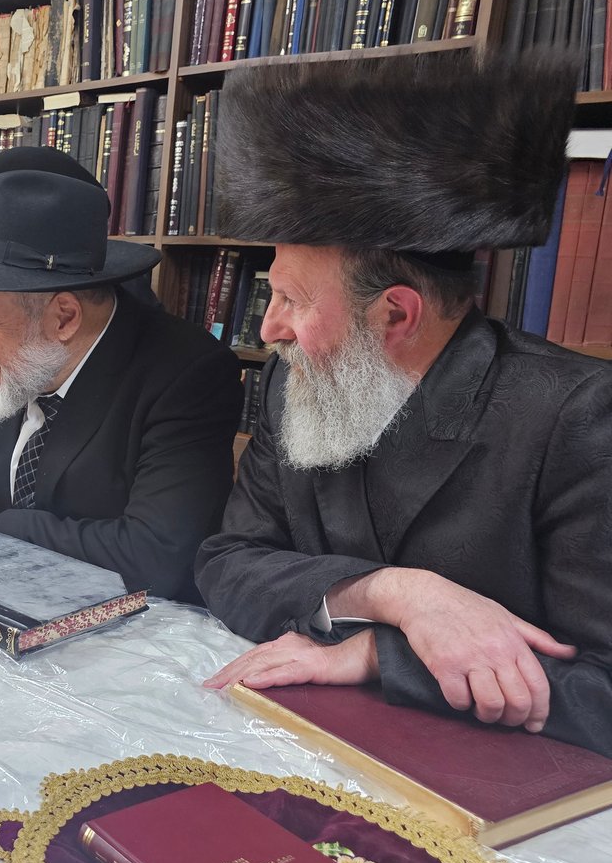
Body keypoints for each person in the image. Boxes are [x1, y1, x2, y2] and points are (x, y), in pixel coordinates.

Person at [195, 52, 612, 758]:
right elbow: (226, 561)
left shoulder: (576, 416)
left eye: (291, 300)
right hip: (296, 743)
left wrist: (375, 655)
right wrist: (394, 593)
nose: (268, 329)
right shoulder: (293, 385)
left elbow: (602, 691)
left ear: (395, 314)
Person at [0, 146, 242, 601]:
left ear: (64, 318)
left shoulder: (187, 376)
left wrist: (5, 529)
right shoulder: (6, 361)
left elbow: (159, 554)